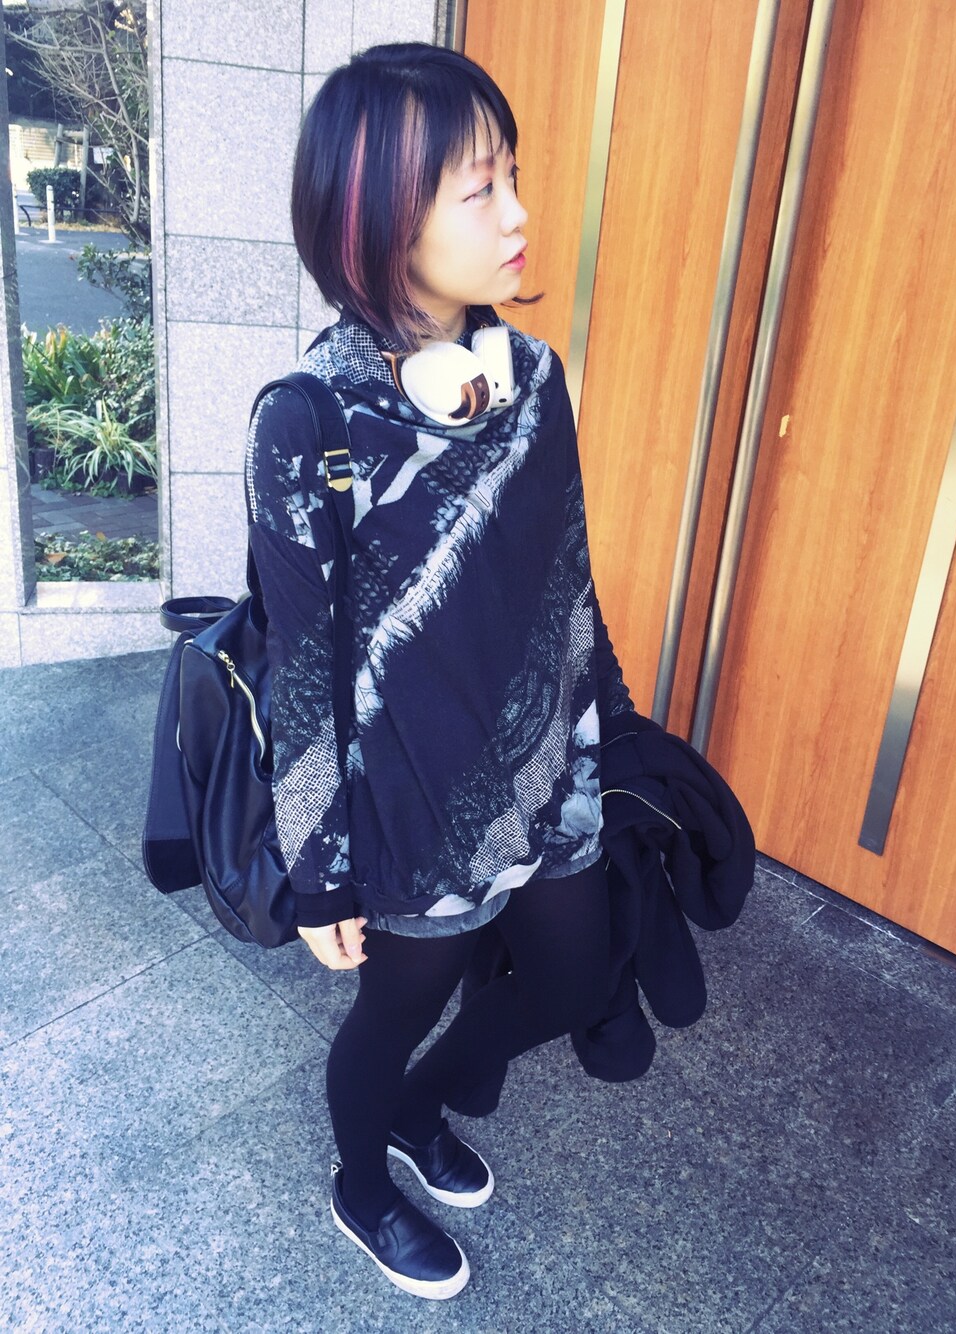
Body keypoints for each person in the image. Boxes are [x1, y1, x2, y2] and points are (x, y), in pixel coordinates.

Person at [245, 42, 634, 1301]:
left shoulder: (536, 378)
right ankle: (365, 1180)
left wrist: (614, 735)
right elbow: (301, 667)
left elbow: (566, 573)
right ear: (381, 216)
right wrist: (320, 870)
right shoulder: (306, 418)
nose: (518, 214)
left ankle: (423, 1106)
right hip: (409, 804)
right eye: (479, 188)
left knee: (572, 974)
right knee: (399, 1004)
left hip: (545, 764)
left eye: (513, 175)